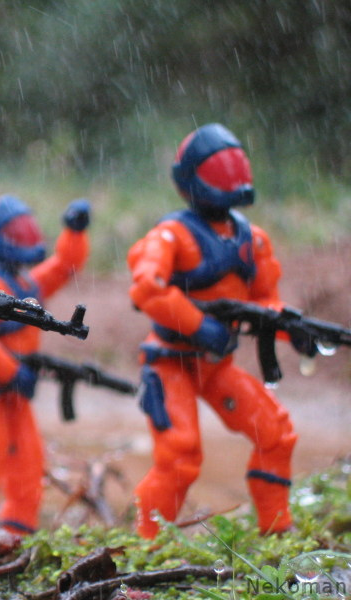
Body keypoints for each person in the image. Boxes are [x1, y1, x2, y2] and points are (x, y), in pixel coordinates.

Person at [127, 123, 308, 539]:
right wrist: (199, 326)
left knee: (275, 434)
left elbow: (264, 303)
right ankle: (146, 545)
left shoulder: (252, 240)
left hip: (215, 365)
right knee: (180, 455)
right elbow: (147, 288)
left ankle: (276, 531)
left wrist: (292, 329)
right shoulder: (171, 235)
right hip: (169, 362)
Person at [0, 194, 90, 535]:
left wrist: (75, 233)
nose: (27, 239)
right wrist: (11, 370)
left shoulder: (25, 285)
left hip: (16, 399)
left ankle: (14, 542)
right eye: (18, 234)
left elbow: (63, 267)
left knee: (27, 474)